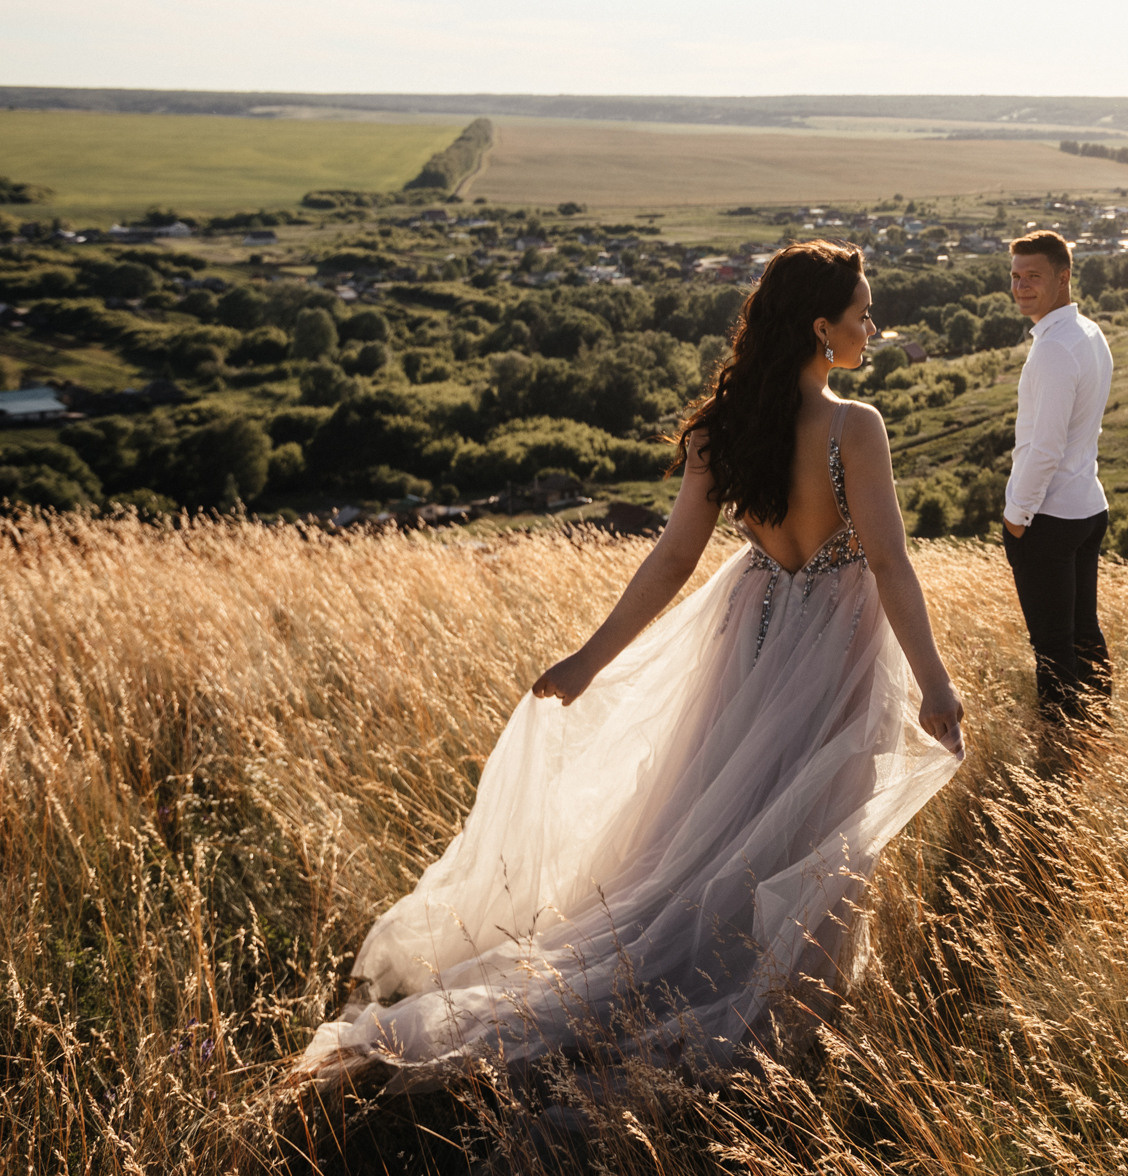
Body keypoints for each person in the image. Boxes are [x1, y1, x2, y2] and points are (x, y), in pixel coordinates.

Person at [296, 241, 964, 1085]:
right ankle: (784, 1009)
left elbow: (672, 561)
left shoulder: (728, 429)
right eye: (864, 312)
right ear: (821, 328)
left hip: (749, 635)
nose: (874, 325)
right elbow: (891, 564)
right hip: (834, 645)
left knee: (722, 815)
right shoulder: (853, 426)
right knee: (819, 827)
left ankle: (738, 980)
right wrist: (934, 683)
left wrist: (587, 659)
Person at [1000, 230, 1115, 723]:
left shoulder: (1053, 349)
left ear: (1063, 277)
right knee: (1082, 633)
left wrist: (1016, 518)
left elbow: (1043, 449)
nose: (1021, 286)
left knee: (1051, 647)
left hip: (1049, 517)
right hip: (1087, 506)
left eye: (1034, 276)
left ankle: (1063, 754)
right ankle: (1098, 729)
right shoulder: (1089, 332)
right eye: (1016, 276)